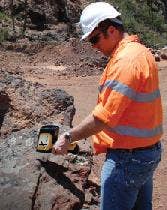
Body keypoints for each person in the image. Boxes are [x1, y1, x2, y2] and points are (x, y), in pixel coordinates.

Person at [52, 2, 163, 210]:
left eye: (95, 39)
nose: (94, 47)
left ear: (111, 30)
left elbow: (102, 117)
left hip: (128, 159)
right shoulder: (139, 51)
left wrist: (68, 138)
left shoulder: (126, 62)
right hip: (147, 153)